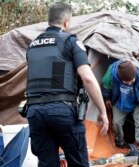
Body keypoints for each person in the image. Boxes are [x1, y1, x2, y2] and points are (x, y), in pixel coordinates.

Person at [25, 2, 109, 167]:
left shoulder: (33, 45)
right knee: (78, 162)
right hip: (61, 111)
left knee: (47, 163)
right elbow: (88, 78)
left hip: (34, 112)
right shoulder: (70, 41)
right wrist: (103, 112)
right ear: (66, 22)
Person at [102, 59, 139, 164]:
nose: (130, 83)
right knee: (116, 123)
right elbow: (106, 87)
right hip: (119, 101)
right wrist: (107, 98)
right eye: (127, 82)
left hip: (137, 101)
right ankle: (120, 143)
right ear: (120, 78)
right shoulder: (110, 75)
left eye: (132, 80)